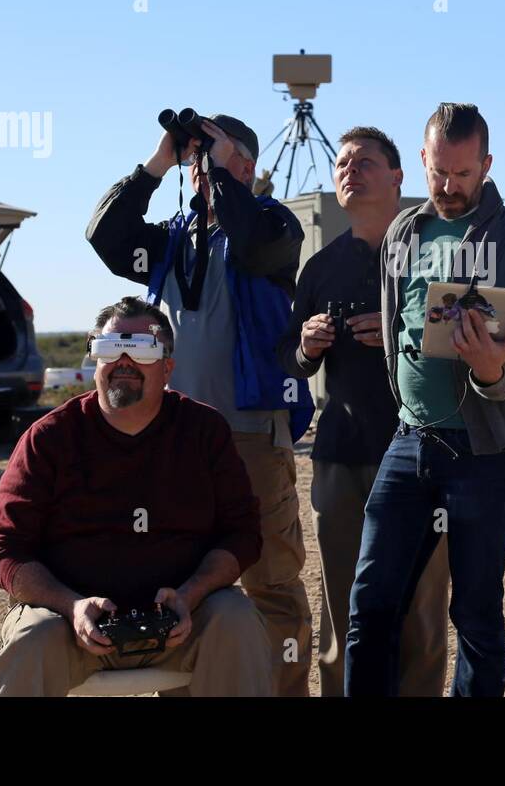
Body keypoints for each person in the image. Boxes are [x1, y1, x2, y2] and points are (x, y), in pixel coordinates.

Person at [86, 114, 315, 696]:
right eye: (196, 157)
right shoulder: (173, 238)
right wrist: (158, 163)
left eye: (212, 154)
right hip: (178, 440)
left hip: (250, 436)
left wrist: (221, 176)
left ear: (246, 166)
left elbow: (256, 243)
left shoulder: (272, 223)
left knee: (271, 585)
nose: (199, 166)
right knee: (178, 585)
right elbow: (105, 237)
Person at [345, 103, 505, 697]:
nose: (450, 187)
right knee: (372, 605)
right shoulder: (404, 233)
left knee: (476, 615)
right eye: (439, 173)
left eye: (463, 174)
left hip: (487, 454)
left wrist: (489, 370)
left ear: (485, 165)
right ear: (424, 159)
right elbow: (396, 323)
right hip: (409, 442)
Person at [0, 297, 272, 696]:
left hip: (182, 620)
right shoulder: (50, 438)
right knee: (32, 638)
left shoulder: (204, 431)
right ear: (94, 360)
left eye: (140, 348)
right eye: (109, 347)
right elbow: (4, 549)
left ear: (167, 366)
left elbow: (241, 535)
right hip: (70, 625)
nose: (123, 360)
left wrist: (190, 595)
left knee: (235, 618)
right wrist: (71, 606)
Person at [277, 126, 449, 697]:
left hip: (423, 453)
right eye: (343, 163)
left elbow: (473, 337)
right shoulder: (319, 267)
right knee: (342, 609)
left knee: (421, 611)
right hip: (341, 455)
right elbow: (291, 361)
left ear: (399, 176)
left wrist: (403, 332)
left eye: (366, 161)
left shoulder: (434, 253)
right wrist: (307, 346)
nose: (351, 169)